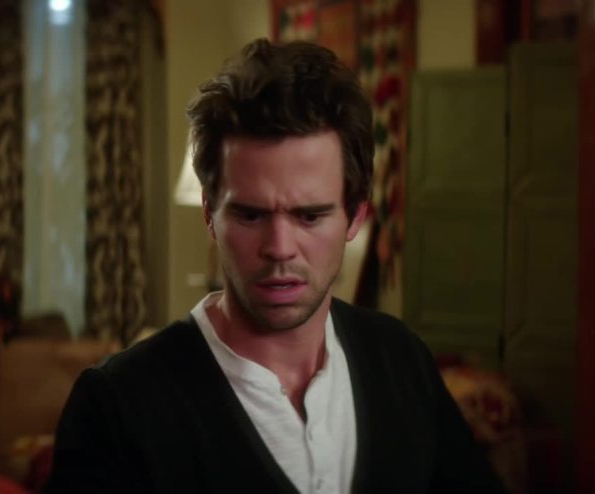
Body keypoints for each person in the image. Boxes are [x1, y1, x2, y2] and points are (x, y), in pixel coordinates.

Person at [45, 39, 505, 493]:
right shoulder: (117, 405)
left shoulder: (400, 360)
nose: (280, 248)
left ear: (355, 216)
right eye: (250, 215)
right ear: (209, 214)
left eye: (310, 216)